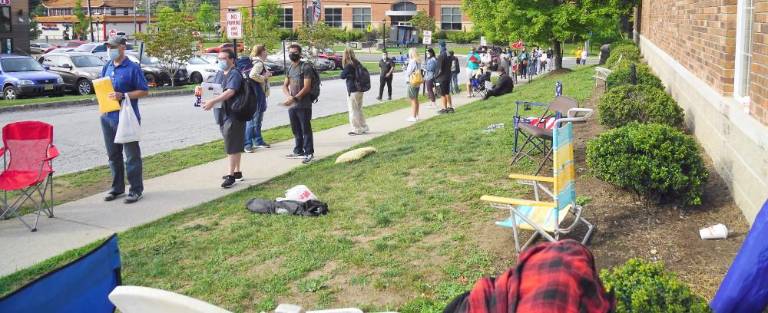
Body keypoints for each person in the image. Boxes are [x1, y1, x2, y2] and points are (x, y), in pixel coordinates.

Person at [100, 36, 149, 203]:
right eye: (108, 47)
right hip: (108, 116)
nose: (110, 50)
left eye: (112, 47)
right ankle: (117, 188)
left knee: (131, 155)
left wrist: (124, 95)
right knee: (113, 155)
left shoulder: (133, 68)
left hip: (127, 117)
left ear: (122, 47)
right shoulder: (107, 66)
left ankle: (136, 189)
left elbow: (143, 91)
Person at [202, 50, 245, 188]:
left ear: (232, 59)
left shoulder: (235, 74)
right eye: (219, 58)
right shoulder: (220, 73)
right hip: (222, 113)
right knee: (234, 143)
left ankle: (230, 175)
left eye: (223, 58)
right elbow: (214, 89)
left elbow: (230, 91)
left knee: (231, 144)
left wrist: (212, 101)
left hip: (233, 113)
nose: (220, 61)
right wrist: (201, 92)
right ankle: (237, 171)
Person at [282, 44, 315, 164]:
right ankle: (298, 150)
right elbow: (285, 85)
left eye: (295, 52)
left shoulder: (305, 67)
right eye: (290, 52)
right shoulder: (290, 67)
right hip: (293, 105)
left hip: (304, 104)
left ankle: (309, 152)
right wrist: (289, 96)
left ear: (300, 54)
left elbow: (307, 87)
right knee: (295, 129)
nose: (292, 54)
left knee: (305, 129)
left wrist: (295, 98)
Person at [244, 44, 272, 153]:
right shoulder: (259, 63)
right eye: (265, 50)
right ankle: (248, 144)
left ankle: (258, 141)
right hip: (257, 95)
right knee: (253, 120)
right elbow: (252, 75)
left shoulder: (254, 61)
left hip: (255, 94)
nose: (267, 52)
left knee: (257, 120)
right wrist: (265, 77)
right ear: (261, 52)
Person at [340, 47, 369, 136]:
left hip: (353, 90)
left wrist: (348, 74)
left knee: (353, 110)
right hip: (360, 89)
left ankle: (356, 129)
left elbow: (342, 75)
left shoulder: (349, 65)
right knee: (359, 109)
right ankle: (363, 126)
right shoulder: (357, 63)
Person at [434, 40, 454, 114]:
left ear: (440, 46)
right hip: (448, 76)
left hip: (442, 77)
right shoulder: (448, 53)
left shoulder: (441, 55)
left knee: (443, 94)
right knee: (447, 93)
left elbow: (439, 69)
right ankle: (450, 107)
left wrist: (435, 77)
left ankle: (444, 108)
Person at [404, 47, 421, 122]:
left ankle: (413, 116)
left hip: (412, 81)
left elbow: (408, 72)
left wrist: (405, 68)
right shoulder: (418, 61)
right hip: (417, 81)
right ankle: (416, 115)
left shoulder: (412, 61)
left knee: (413, 99)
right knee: (416, 99)